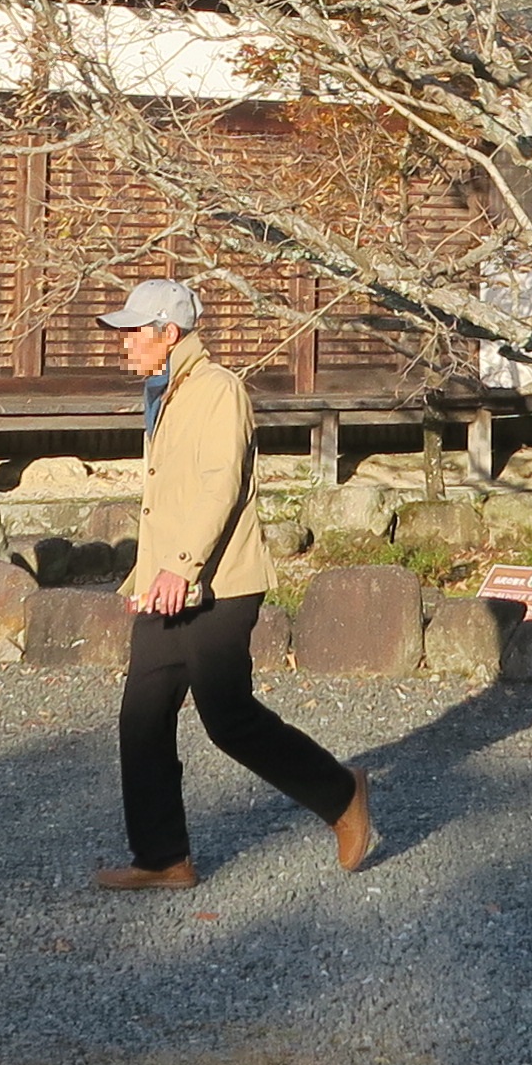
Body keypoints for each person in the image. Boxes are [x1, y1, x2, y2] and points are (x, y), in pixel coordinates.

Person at [98, 276, 375, 892]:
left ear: (168, 334)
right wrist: (146, 577)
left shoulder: (218, 391)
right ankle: (163, 858)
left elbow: (218, 487)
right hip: (169, 584)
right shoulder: (165, 393)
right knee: (141, 719)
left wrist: (180, 565)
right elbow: (164, 500)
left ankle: (341, 793)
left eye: (133, 331)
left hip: (218, 583)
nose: (124, 343)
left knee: (229, 719)